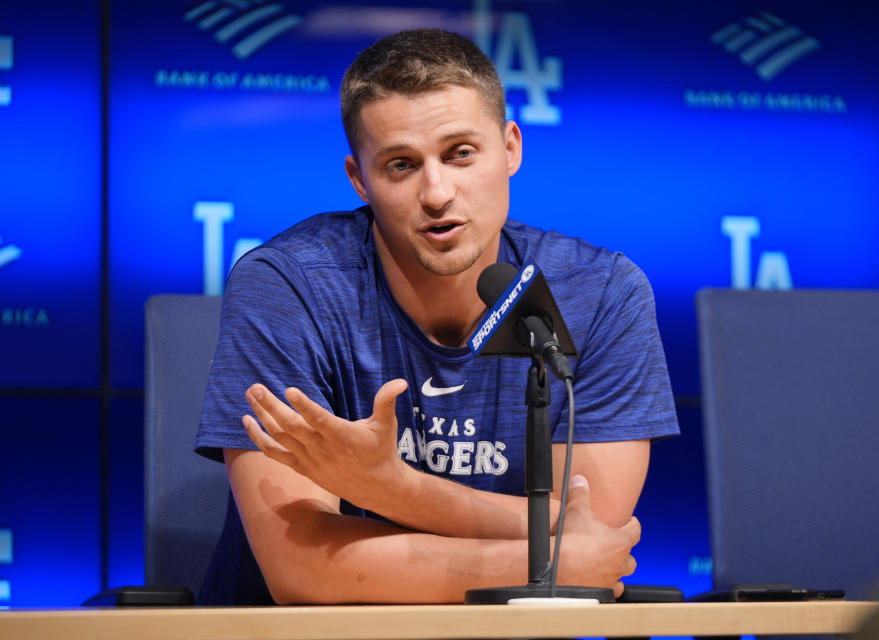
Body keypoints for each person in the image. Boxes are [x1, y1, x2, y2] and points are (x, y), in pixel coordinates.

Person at [194, 27, 679, 605]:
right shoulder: (287, 286)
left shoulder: (599, 294)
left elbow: (593, 534)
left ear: (511, 148)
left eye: (460, 154)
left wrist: (389, 487)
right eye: (401, 165)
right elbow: (302, 572)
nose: (436, 192)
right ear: (360, 179)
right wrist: (546, 561)